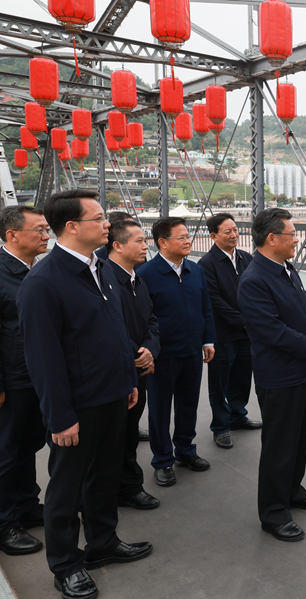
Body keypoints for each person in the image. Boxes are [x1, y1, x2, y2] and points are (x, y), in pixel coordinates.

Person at [18, 189, 151, 599]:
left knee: (105, 476)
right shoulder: (43, 282)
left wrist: (128, 380)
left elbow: (115, 331)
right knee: (67, 487)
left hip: (113, 394)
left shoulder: (102, 268)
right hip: (77, 405)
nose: (107, 224)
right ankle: (65, 565)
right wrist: (59, 417)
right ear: (72, 226)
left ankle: (103, 542)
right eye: (98, 218)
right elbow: (43, 358)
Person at [237, 209, 306, 543]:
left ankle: (292, 490)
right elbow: (270, 330)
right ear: (272, 238)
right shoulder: (255, 279)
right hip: (279, 375)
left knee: (298, 439)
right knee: (279, 445)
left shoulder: (285, 268)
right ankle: (274, 512)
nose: (296, 240)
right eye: (292, 234)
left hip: (303, 369)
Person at [138, 217, 216, 487]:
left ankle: (185, 450)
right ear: (162, 242)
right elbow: (143, 319)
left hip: (192, 351)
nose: (187, 241)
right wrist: (149, 352)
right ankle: (162, 460)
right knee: (160, 409)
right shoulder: (146, 274)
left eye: (187, 236)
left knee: (188, 404)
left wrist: (208, 341)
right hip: (162, 356)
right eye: (180, 237)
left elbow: (206, 308)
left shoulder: (196, 270)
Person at [0, 206, 49, 556]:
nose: (46, 235)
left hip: (36, 375)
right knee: (5, 451)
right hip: (12, 378)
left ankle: (27, 505)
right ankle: (5, 523)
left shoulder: (38, 269)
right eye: (39, 230)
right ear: (12, 235)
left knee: (28, 444)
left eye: (47, 229)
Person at [105, 220, 162, 511]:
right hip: (118, 371)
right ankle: (112, 491)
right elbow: (107, 328)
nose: (145, 246)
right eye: (139, 241)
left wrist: (150, 349)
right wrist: (138, 354)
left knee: (128, 435)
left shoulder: (136, 279)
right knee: (113, 437)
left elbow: (151, 319)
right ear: (117, 245)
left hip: (138, 368)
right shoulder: (104, 279)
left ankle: (127, 487)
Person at [198, 213, 261, 449]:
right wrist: (243, 321)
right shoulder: (207, 264)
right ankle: (221, 427)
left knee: (242, 378)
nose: (234, 235)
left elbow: (255, 290)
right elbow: (213, 300)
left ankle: (238, 415)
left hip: (246, 334)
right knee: (220, 384)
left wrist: (250, 321)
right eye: (228, 231)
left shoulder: (246, 258)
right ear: (214, 236)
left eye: (235, 230)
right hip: (222, 335)